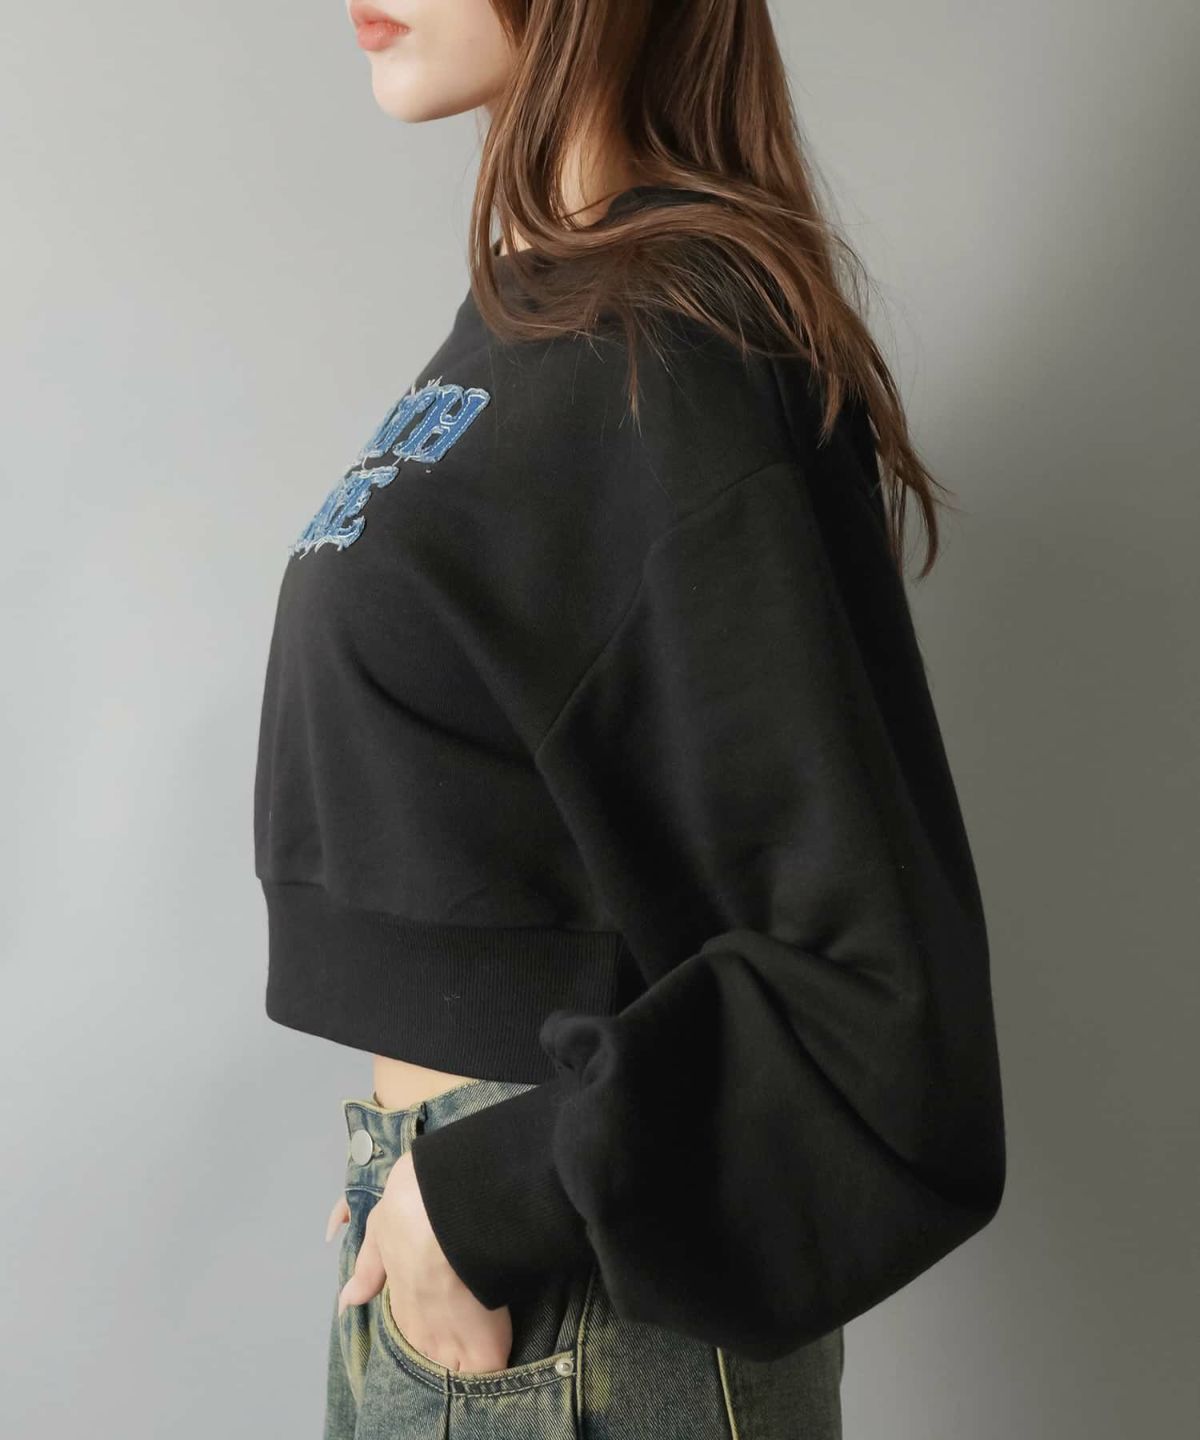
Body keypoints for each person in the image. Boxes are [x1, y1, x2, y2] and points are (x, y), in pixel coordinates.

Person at [252, 2, 1008, 1435]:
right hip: (477, 1277)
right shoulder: (542, 314)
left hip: (572, 1315)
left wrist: (487, 1191)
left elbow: (887, 1017)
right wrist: (423, 1185)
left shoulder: (680, 335)